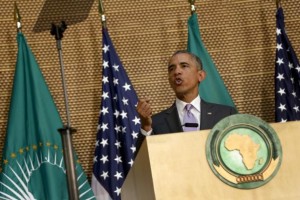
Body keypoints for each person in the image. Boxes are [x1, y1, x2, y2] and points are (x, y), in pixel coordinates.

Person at [136, 50, 237, 149]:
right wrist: (146, 127)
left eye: (184, 66)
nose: (176, 72)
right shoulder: (155, 122)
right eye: (171, 69)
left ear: (200, 75)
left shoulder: (226, 114)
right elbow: (143, 162)